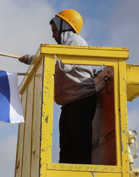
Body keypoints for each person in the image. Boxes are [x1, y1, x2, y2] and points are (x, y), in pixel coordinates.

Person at [19, 9, 97, 164]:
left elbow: (61, 65)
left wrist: (33, 60)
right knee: (66, 150)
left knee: (79, 147)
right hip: (71, 104)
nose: (53, 35)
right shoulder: (65, 46)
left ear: (65, 28)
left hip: (81, 103)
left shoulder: (75, 42)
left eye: (55, 30)